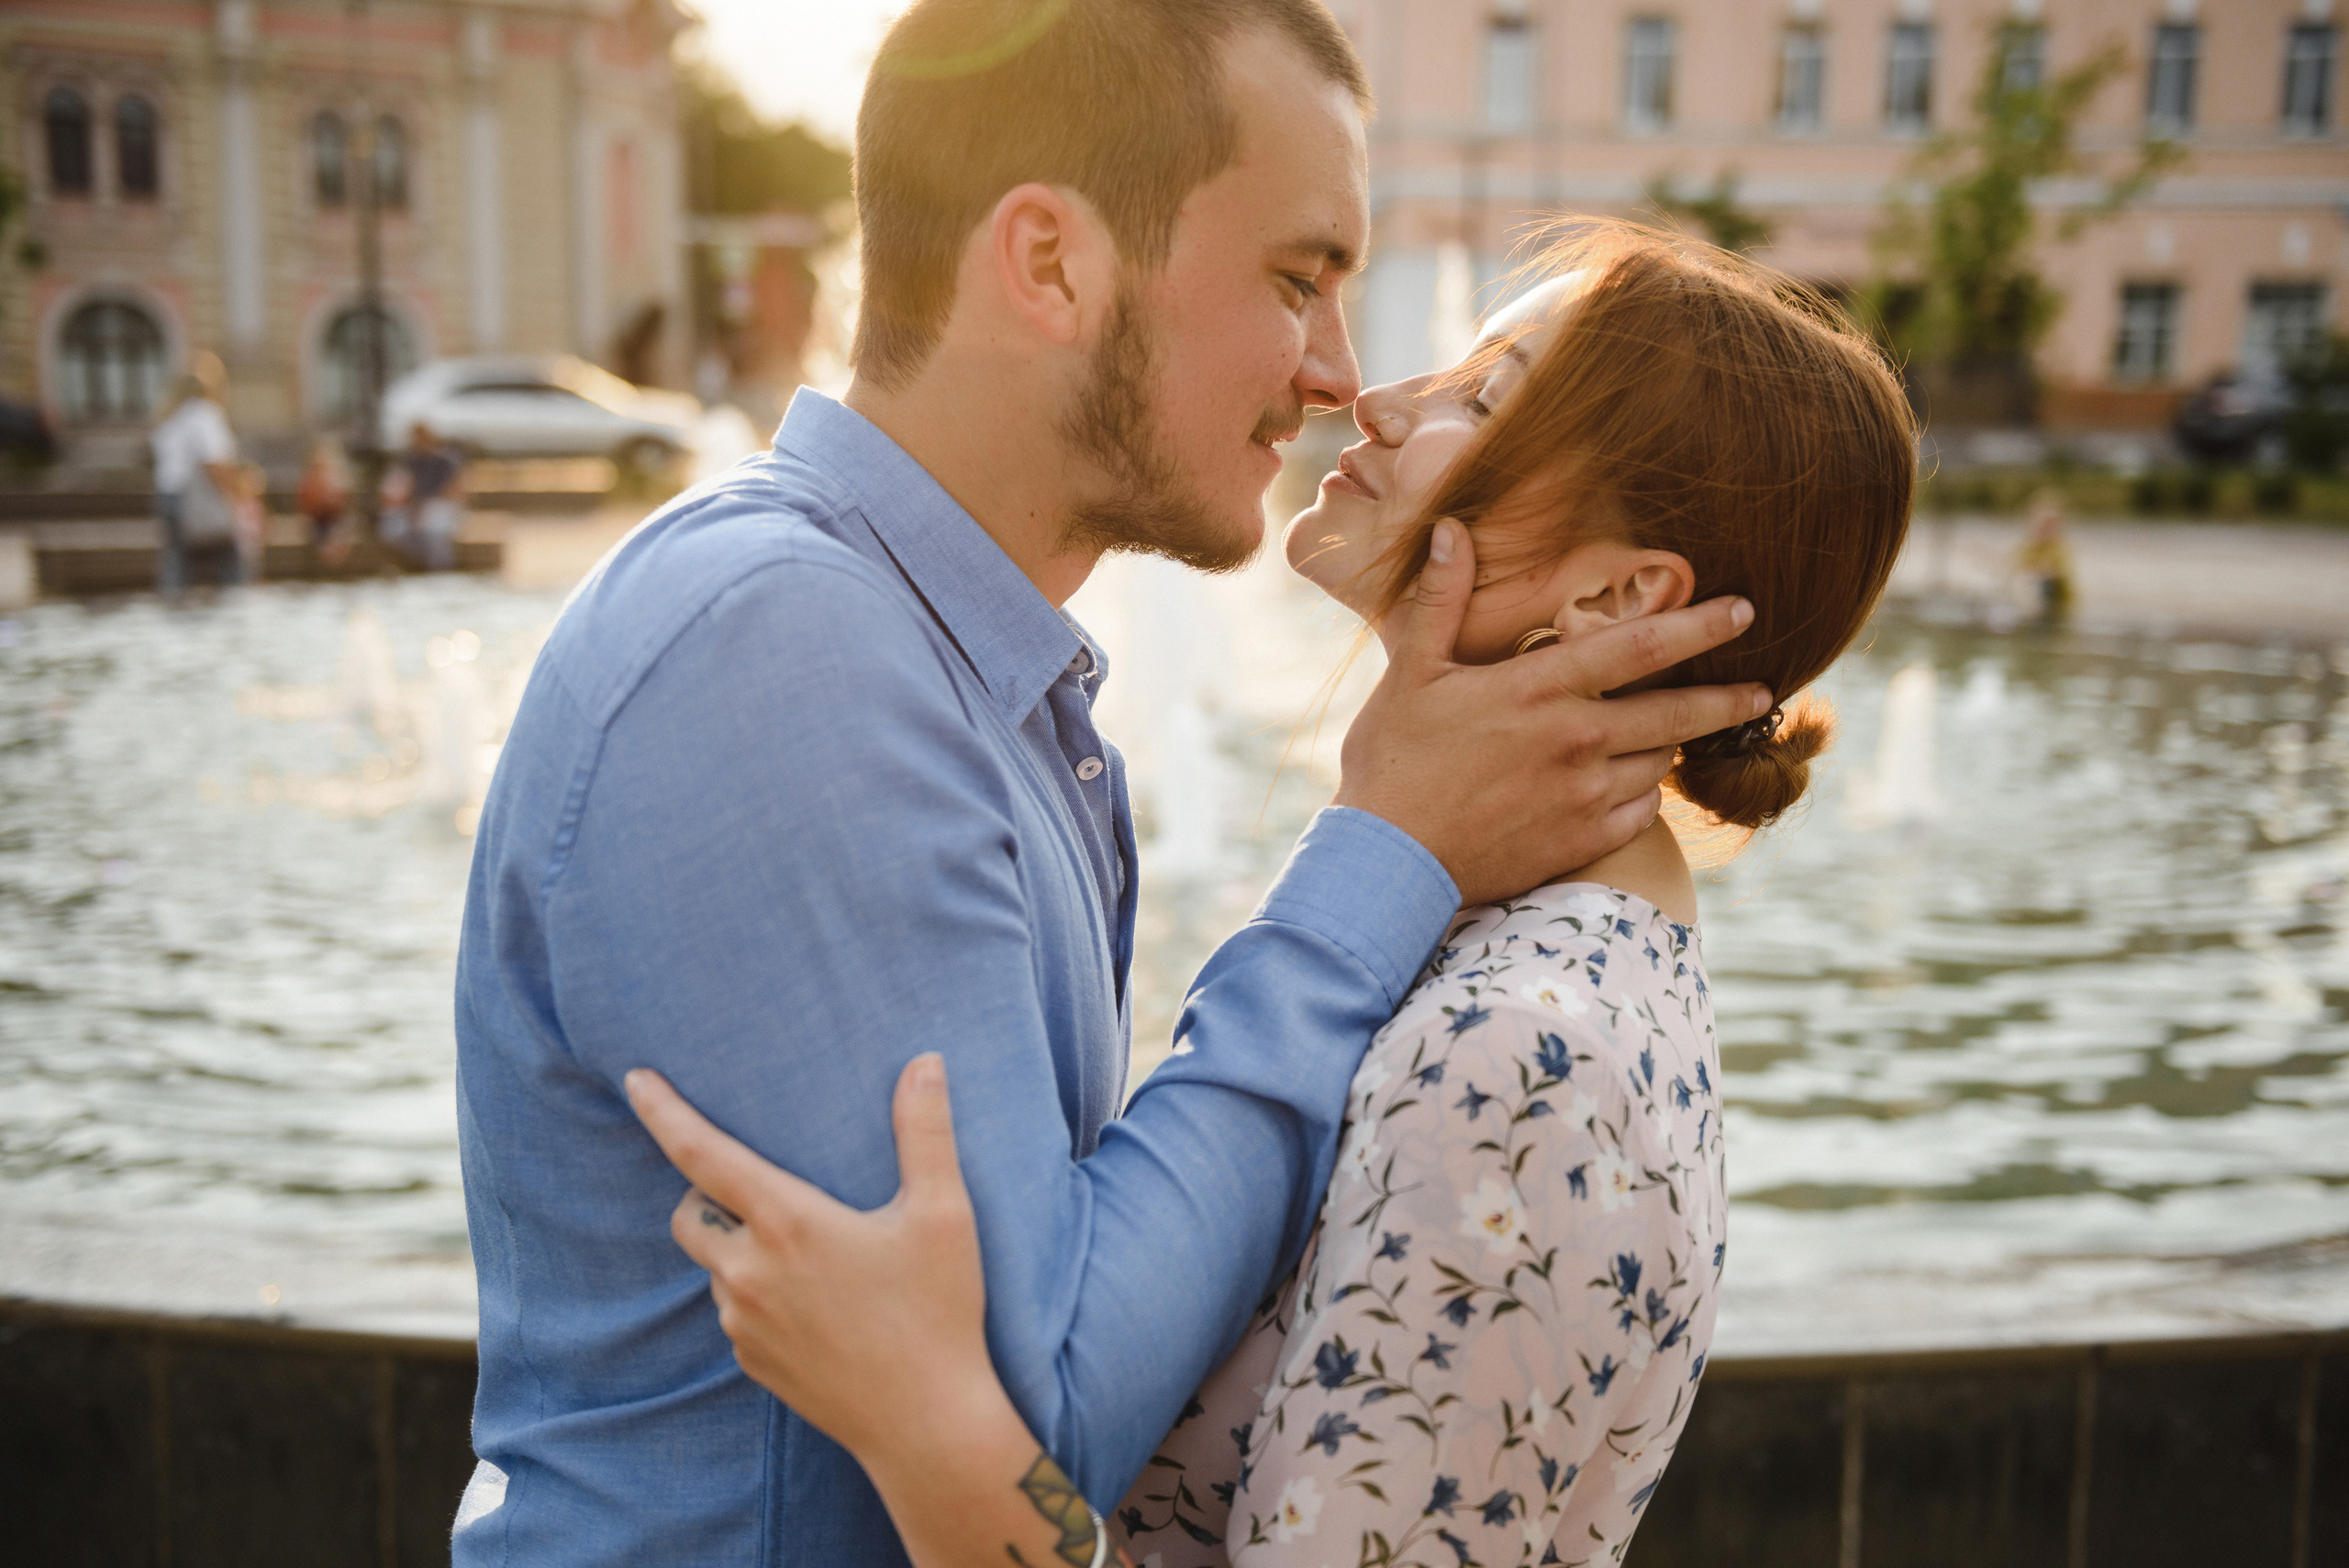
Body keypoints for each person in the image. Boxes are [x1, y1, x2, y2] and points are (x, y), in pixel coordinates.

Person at [450, 5, 1767, 1563]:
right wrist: (1383, 849)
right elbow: (1037, 1420)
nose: (1343, 376)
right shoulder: (786, 645)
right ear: (1052, 263)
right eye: (1297, 279)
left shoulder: (966, 674)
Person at [626, 223, 1917, 1567]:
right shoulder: (1515, 952)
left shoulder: (1528, 1057)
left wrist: (927, 1425)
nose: (1380, 398)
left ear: (1616, 594)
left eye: (1480, 398)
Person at [148, 353, 244, 595]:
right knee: (230, 557)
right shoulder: (205, 414)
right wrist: (235, 496)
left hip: (166, 496)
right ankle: (238, 604)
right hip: (195, 499)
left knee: (177, 559)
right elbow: (214, 463)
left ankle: (173, 603)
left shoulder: (170, 417)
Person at [380, 421, 464, 571]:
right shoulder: (409, 461)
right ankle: (421, 562)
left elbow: (454, 491)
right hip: (414, 509)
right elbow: (404, 489)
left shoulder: (446, 461)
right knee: (391, 529)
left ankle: (440, 567)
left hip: (439, 507)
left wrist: (426, 507)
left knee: (435, 530)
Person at [2012, 489, 2075, 624]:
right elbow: (2012, 566)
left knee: (2035, 582)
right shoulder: (2027, 547)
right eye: (2040, 524)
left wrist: (2037, 574)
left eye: (2049, 525)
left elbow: (2058, 572)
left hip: (2058, 604)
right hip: (2037, 602)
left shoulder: (2058, 549)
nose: (2043, 528)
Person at [295, 437, 356, 569]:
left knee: (341, 529)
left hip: (334, 519)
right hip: (318, 520)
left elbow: (343, 501)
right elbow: (305, 502)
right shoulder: (309, 480)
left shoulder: (337, 478)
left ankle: (334, 553)